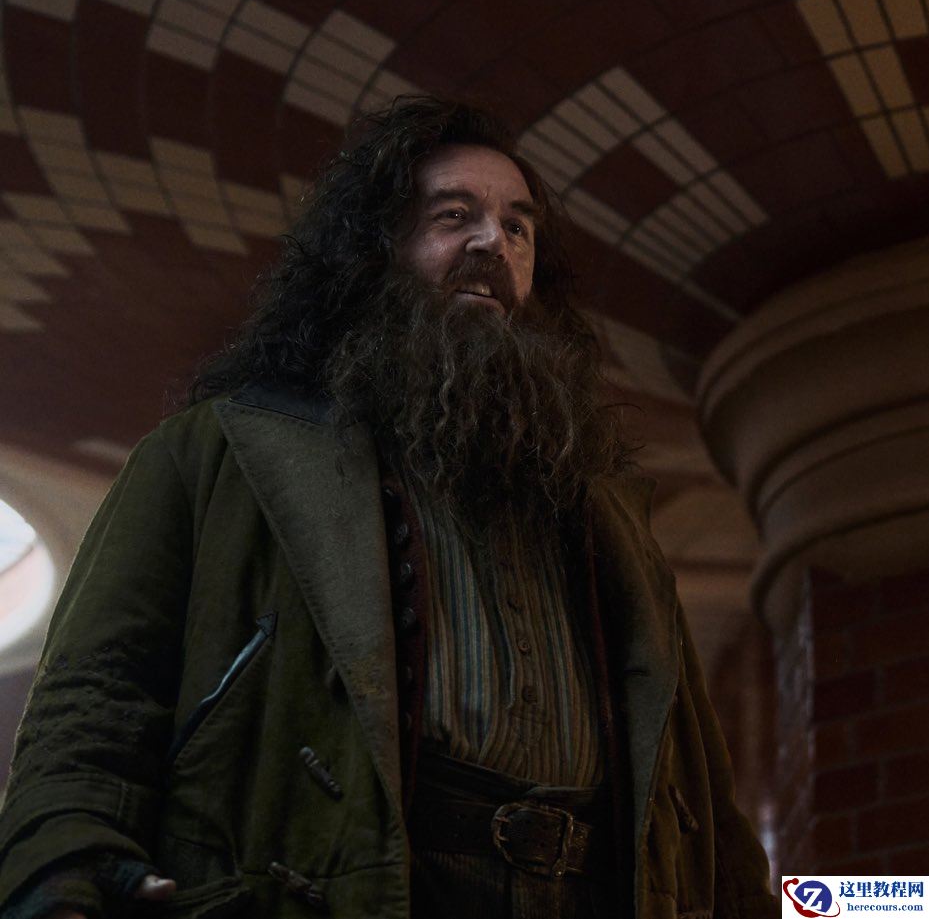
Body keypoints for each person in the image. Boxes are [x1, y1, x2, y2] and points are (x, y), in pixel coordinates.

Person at [0, 96, 778, 919]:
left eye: (518, 227)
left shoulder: (605, 514)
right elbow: (97, 695)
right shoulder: (212, 456)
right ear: (373, 249)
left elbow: (698, 782)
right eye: (454, 215)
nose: (493, 243)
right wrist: (64, 874)